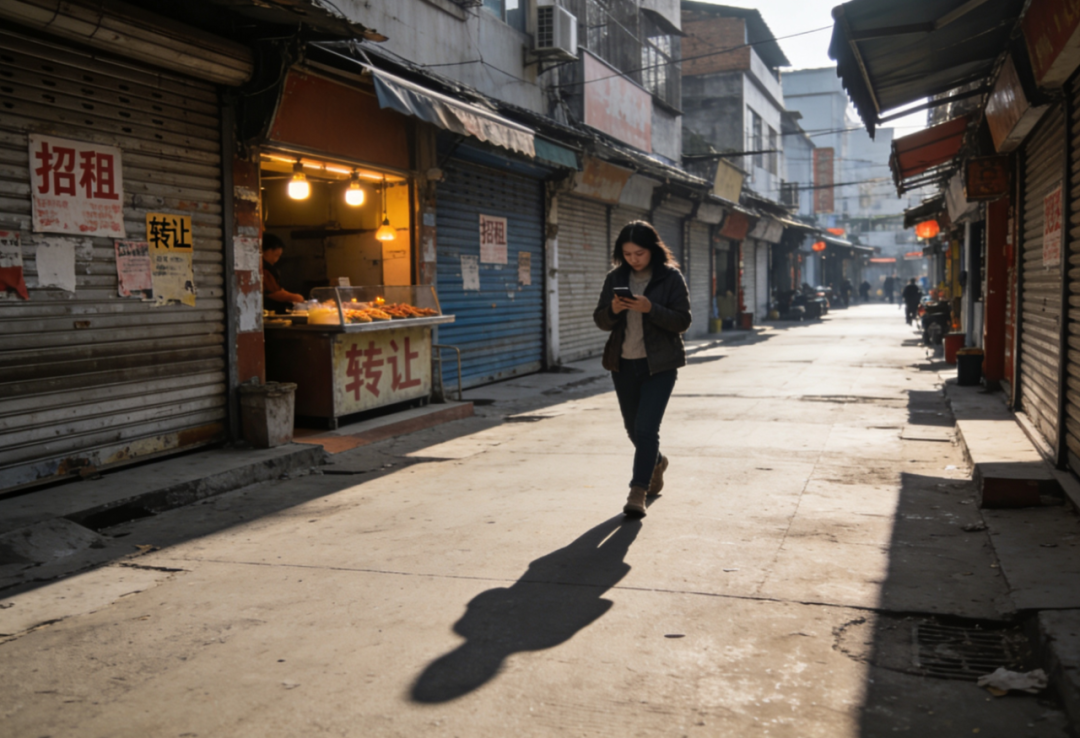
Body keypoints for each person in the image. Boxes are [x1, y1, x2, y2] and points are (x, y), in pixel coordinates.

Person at [593, 221, 691, 519]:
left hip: (660, 365)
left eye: (639, 253)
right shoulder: (616, 277)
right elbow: (600, 320)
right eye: (627, 253)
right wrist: (614, 310)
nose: (634, 259)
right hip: (623, 364)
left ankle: (638, 490)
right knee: (634, 429)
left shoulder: (670, 277)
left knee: (647, 428)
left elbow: (683, 321)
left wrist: (651, 309)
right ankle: (657, 462)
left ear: (653, 250)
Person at [262, 233, 304, 314]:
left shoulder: (268, 267)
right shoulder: (263, 269)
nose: (276, 260)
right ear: (265, 251)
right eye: (276, 255)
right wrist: (295, 297)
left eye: (278, 256)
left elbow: (279, 290)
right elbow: (272, 293)